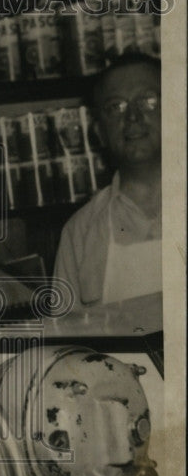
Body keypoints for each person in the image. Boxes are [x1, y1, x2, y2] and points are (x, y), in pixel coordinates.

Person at [54, 53, 161, 307]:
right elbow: (66, 341)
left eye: (148, 101)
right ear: (100, 132)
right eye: (116, 107)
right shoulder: (79, 232)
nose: (132, 117)